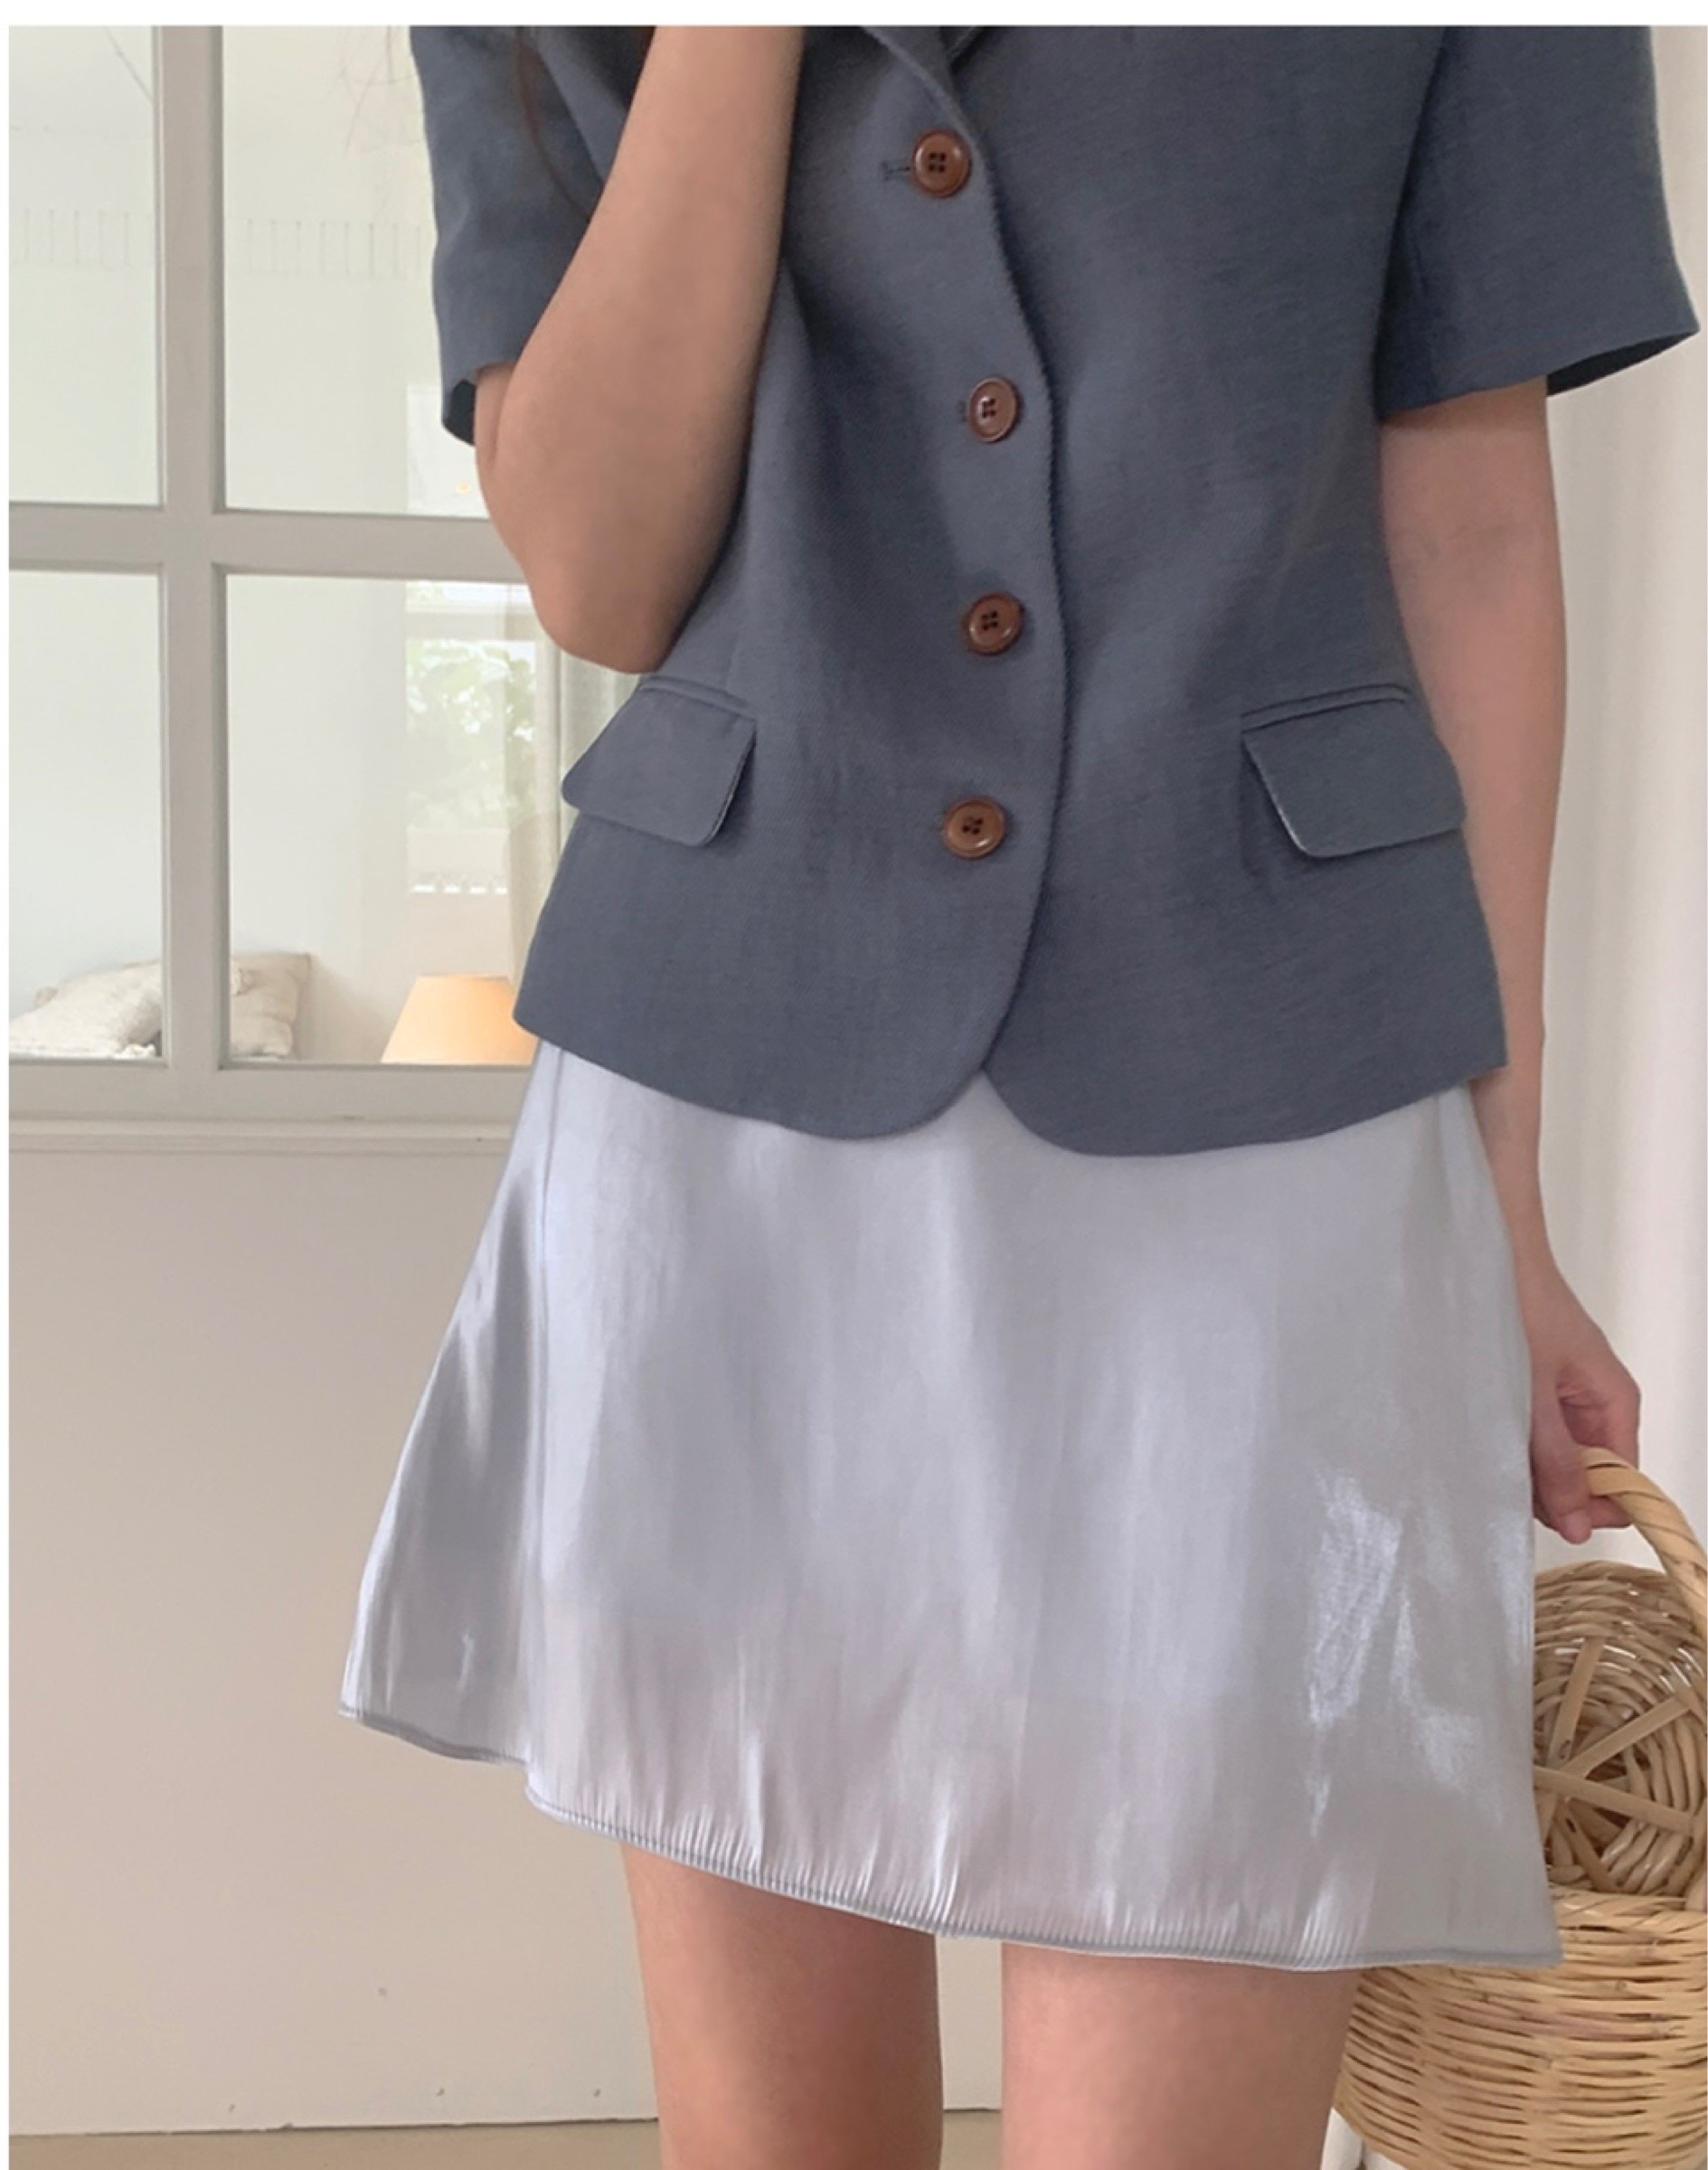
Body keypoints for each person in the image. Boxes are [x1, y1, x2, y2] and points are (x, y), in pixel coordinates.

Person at [341, 27, 1699, 2169]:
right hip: (738, 1120)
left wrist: (1505, 1204)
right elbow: (598, 565)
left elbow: (1468, 520)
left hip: (1266, 1088)